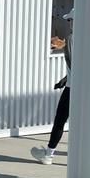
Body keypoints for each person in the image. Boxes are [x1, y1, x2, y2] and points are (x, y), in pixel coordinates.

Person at [32, 9, 74, 164]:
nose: (68, 23)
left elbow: (73, 63)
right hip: (83, 87)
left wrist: (68, 80)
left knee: (60, 120)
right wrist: (64, 79)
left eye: (70, 20)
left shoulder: (71, 38)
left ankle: (48, 154)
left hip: (72, 88)